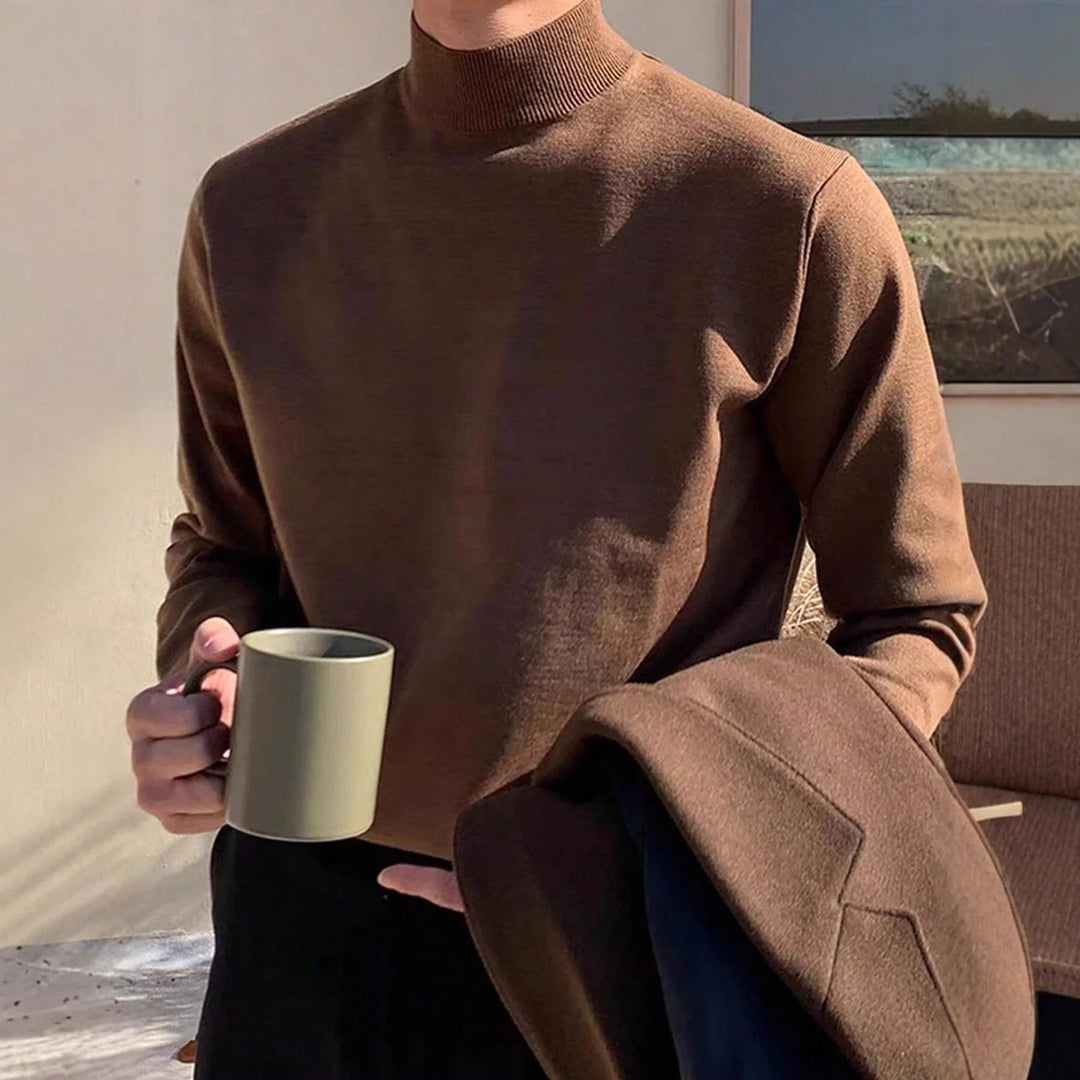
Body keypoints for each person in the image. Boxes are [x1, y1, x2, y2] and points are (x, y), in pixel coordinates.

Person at [123, 0, 1044, 1076]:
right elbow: (223, 543)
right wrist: (206, 684)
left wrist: (672, 852)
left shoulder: (784, 208)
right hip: (298, 930)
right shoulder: (251, 208)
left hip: (621, 946)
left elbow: (916, 616)